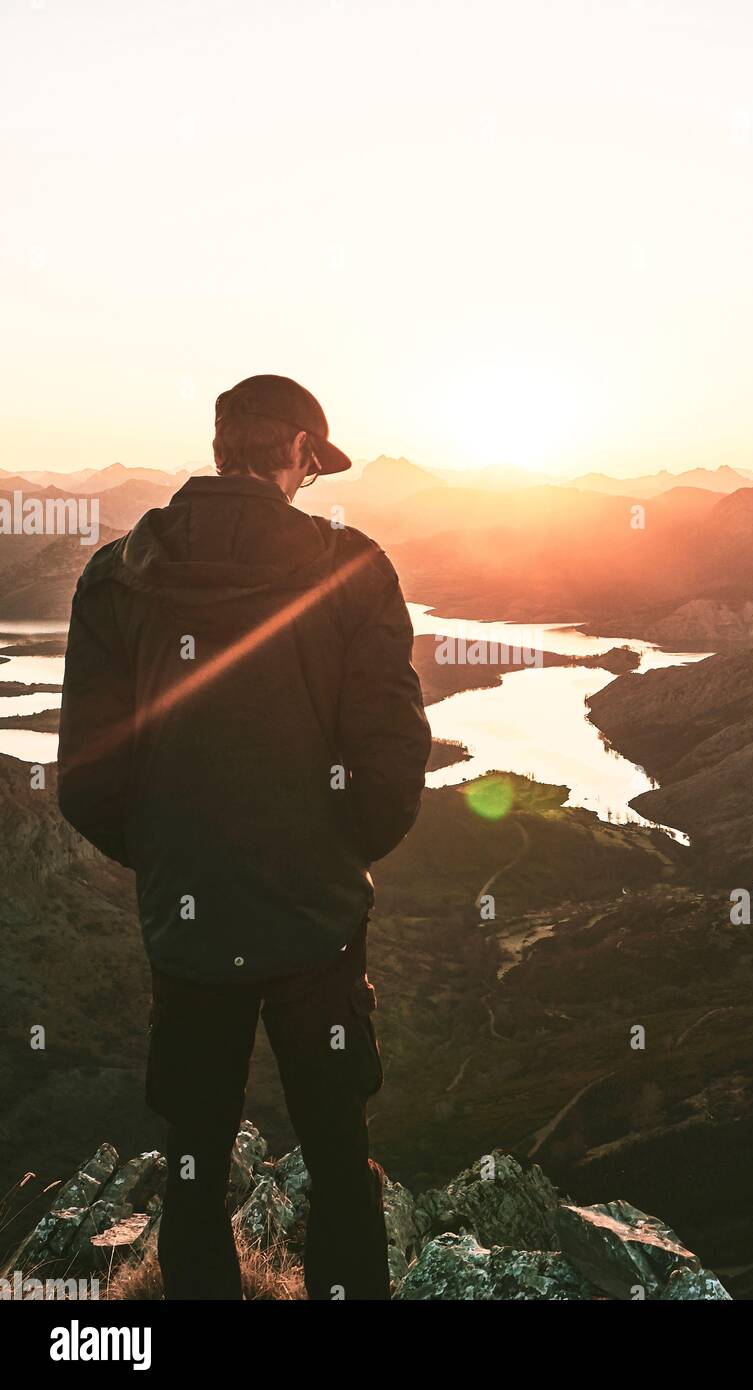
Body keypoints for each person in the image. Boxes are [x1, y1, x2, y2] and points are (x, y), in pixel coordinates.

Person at [57, 374, 431, 1300]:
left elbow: (87, 778)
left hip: (188, 930)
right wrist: (329, 853)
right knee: (340, 1152)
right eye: (314, 461)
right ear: (298, 452)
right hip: (318, 928)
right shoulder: (354, 570)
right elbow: (388, 764)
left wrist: (180, 852)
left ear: (224, 446)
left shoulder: (115, 577)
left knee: (194, 1159)